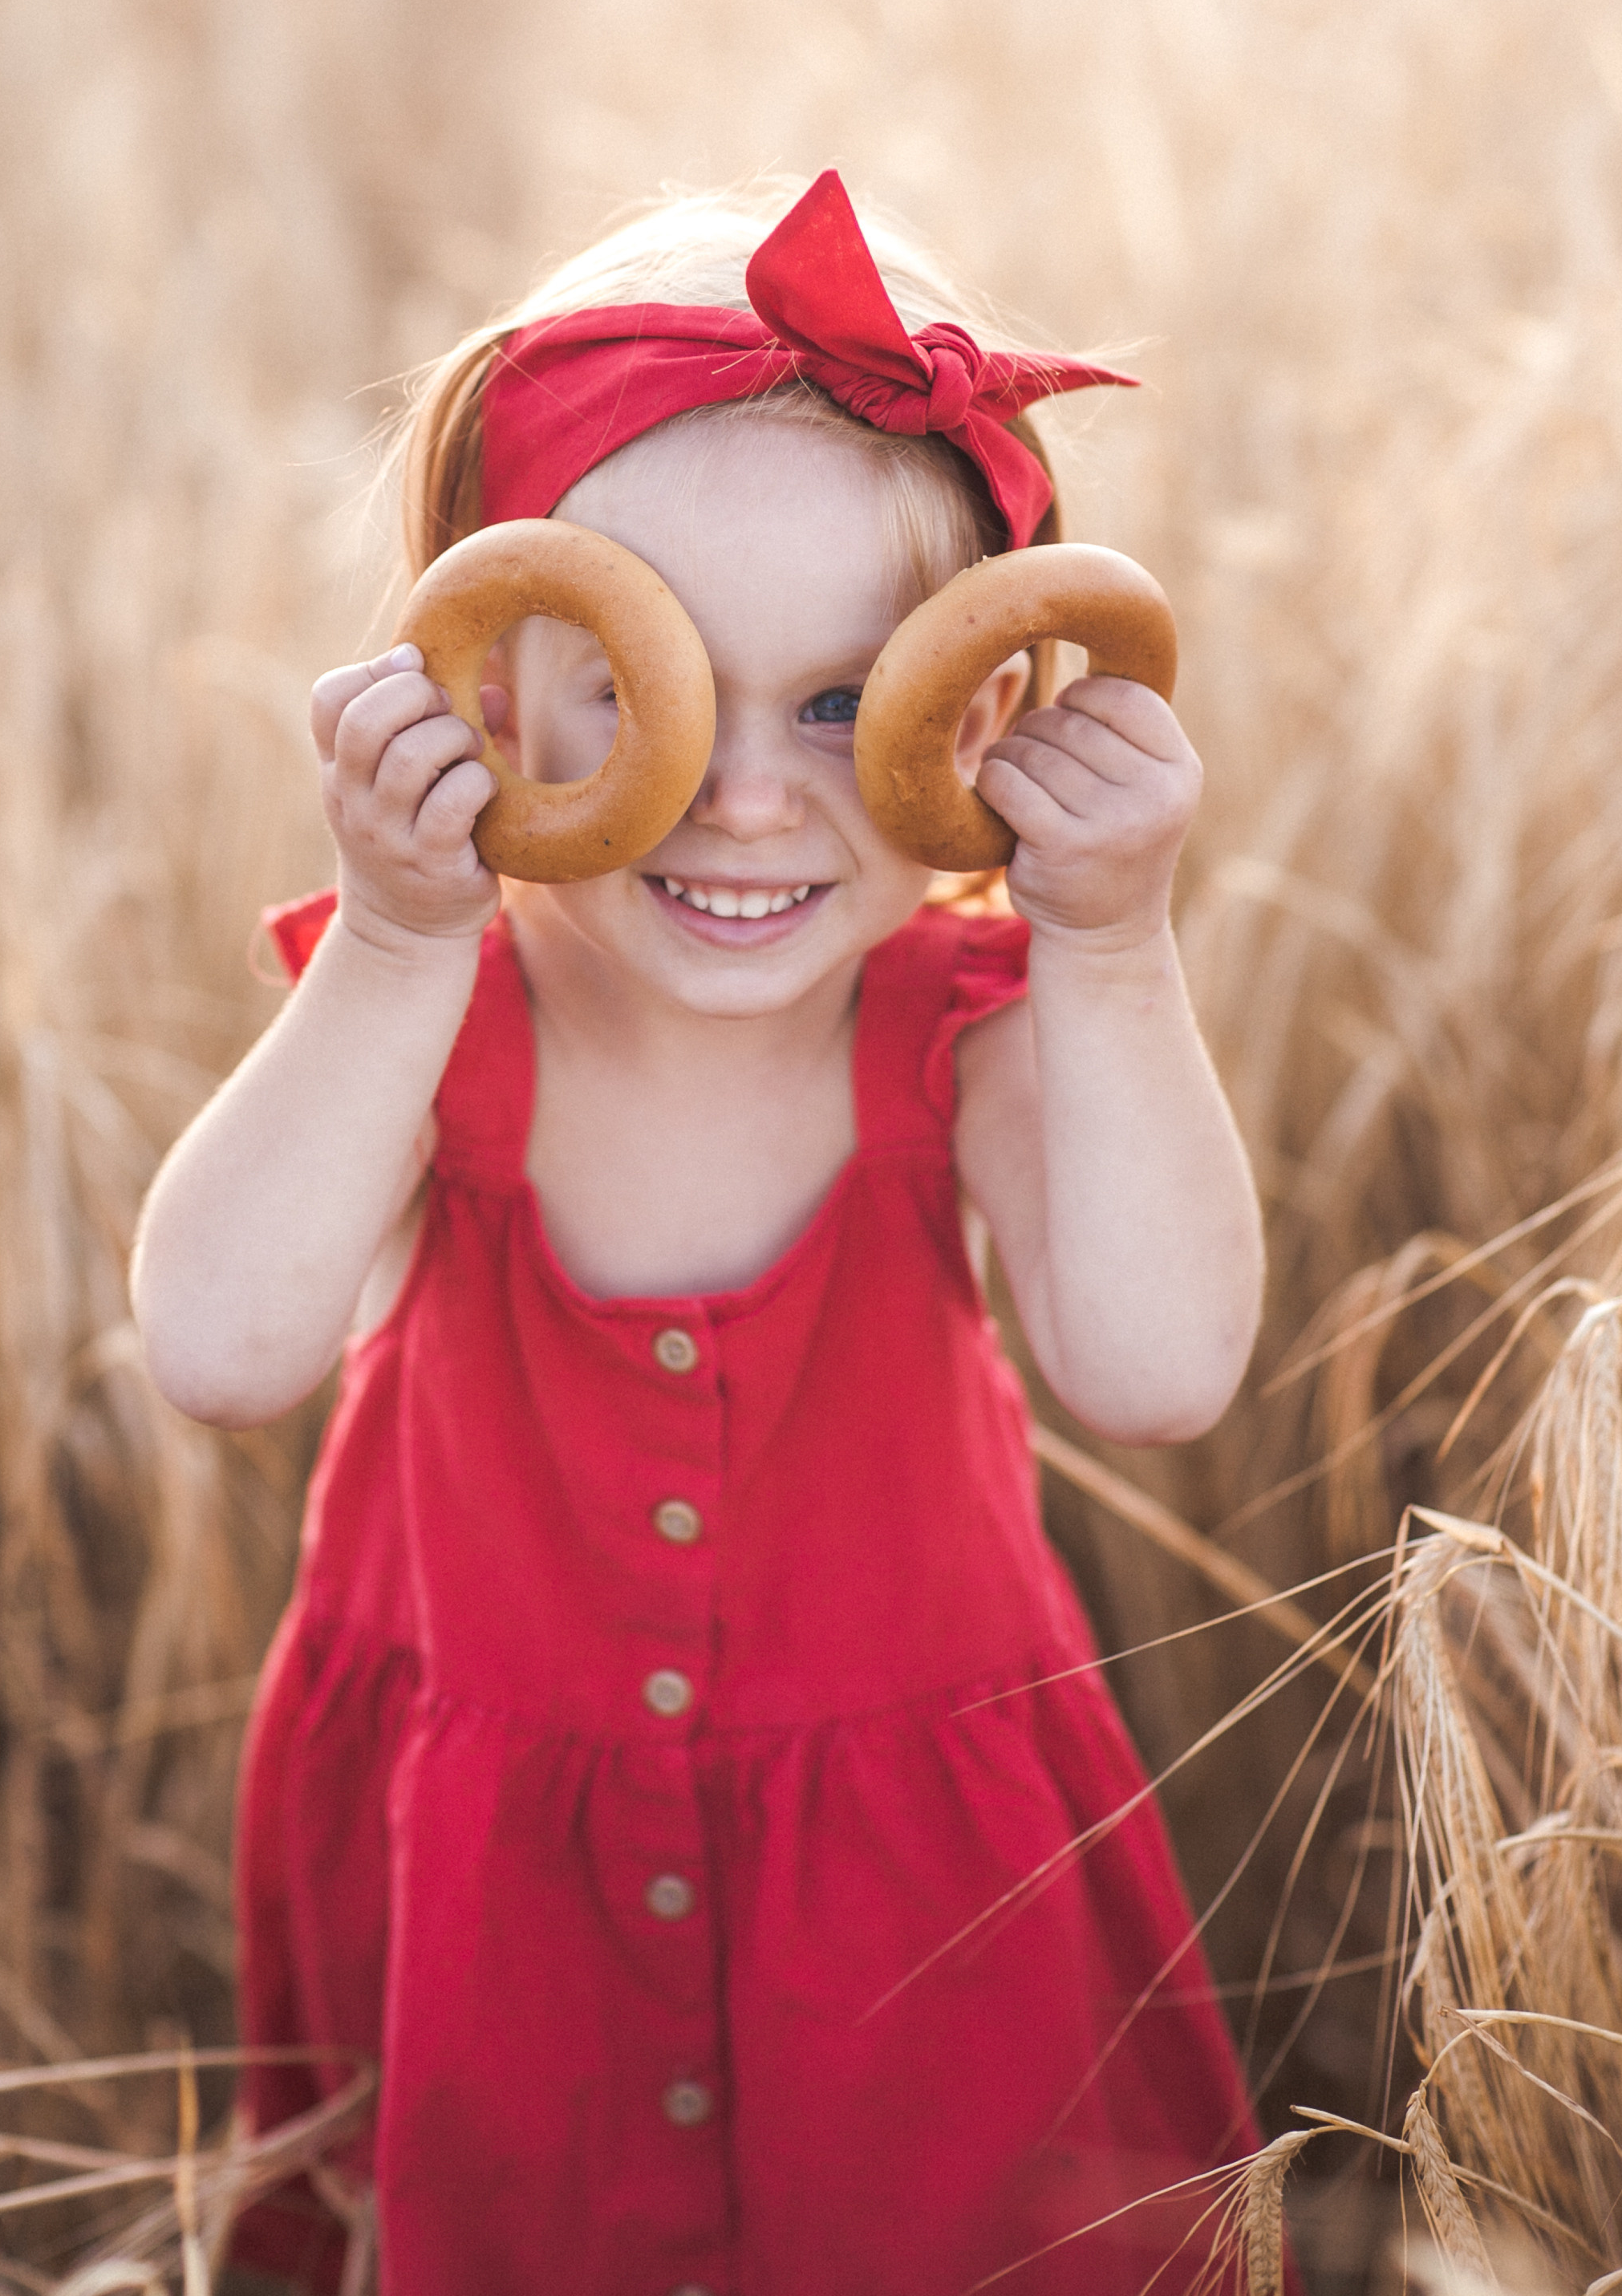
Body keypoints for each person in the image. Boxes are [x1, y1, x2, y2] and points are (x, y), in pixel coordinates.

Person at [132, 169, 1271, 2296]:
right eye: (644, 686)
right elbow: (214, 1341)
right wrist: (391, 940)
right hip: (499, 1920)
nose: (752, 796)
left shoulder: (972, 1038)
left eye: (850, 703)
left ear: (985, 715)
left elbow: (1163, 1369)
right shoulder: (431, 1017)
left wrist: (1110, 946)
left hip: (916, 1927)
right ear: (481, 680)